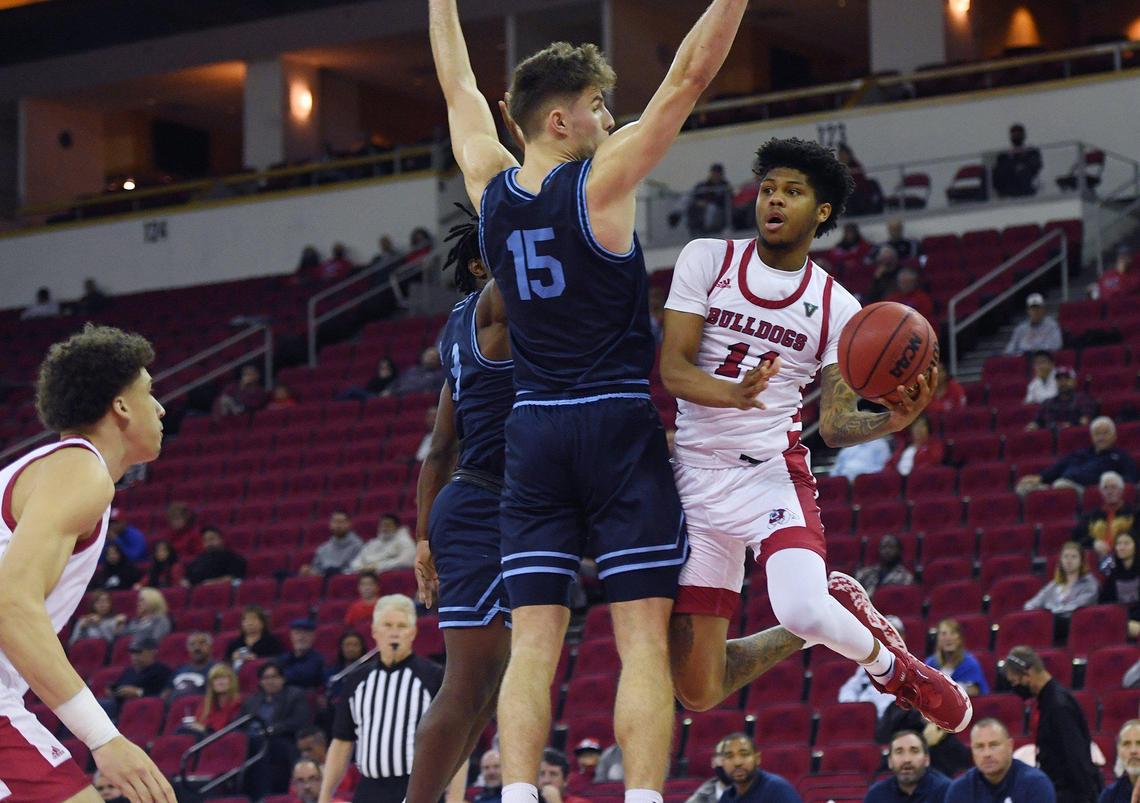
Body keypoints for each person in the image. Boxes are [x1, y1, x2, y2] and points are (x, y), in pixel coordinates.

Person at [430, 2, 759, 802]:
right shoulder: (603, 180)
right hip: (615, 422)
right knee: (641, 638)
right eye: (599, 105)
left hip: (532, 432)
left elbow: (459, 89)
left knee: (535, 641)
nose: (609, 117)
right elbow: (690, 73)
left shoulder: (491, 192)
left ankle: (513, 794)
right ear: (560, 117)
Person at [660, 137, 969, 733]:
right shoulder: (706, 259)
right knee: (697, 692)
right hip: (694, 477)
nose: (773, 200)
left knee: (800, 603)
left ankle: (897, 670)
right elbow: (672, 368)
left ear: (821, 211)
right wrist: (735, 393)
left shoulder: (836, 305)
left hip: (768, 475)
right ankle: (840, 612)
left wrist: (892, 421)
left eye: (792, 192)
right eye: (769, 189)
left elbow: (834, 423)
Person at [0, 324, 175, 802]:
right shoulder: (81, 470)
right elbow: (10, 604)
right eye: (149, 393)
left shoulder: (48, 470)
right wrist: (104, 738)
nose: (160, 408)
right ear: (120, 406)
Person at [405, 213, 514, 803]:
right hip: (483, 506)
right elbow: (444, 452)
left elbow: (440, 447)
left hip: (492, 504)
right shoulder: (494, 310)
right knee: (467, 682)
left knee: (490, 691)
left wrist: (423, 539)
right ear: (481, 266)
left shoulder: (453, 329)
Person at [320, 595, 445, 803]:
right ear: (375, 632)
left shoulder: (433, 677)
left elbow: (453, 741)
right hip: (369, 790)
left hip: (418, 788)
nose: (394, 632)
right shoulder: (356, 680)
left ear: (412, 632)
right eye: (387, 625)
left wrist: (455, 798)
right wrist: (324, 797)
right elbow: (342, 742)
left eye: (401, 625)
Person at [1003, 646, 1102, 803]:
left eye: (1015, 681)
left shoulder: (1058, 706)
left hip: (1071, 794)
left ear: (1027, 673)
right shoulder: (1048, 700)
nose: (1015, 688)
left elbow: (1075, 758)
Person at [241, 661, 314, 797]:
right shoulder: (253, 700)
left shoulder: (294, 695)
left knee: (260, 747)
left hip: (282, 740)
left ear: (282, 679)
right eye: (266, 678)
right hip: (252, 741)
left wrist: (271, 730)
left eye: (274, 677)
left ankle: (264, 796)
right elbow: (239, 723)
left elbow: (299, 721)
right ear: (261, 682)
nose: (270, 681)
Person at [1018, 417, 1138, 495]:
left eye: (1105, 433)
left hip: (1085, 491)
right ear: (1092, 437)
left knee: (1061, 486)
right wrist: (1040, 477)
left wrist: (1108, 483)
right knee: (1024, 487)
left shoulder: (1120, 456)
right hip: (1061, 483)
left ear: (1114, 436)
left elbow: (1132, 477)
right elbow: (1058, 467)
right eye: (1097, 434)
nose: (1101, 438)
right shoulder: (1081, 453)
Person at [946, 718, 1055, 802]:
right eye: (979, 747)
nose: (987, 754)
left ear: (1010, 746)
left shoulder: (1035, 785)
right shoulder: (960, 789)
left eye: (994, 745)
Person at [839, 616, 909, 718]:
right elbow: (849, 689)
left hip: (892, 717)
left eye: (892, 633)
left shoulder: (909, 663)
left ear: (902, 637)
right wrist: (853, 706)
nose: (888, 637)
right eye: (884, 633)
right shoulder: (868, 661)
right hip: (864, 716)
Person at [863, 729, 951, 803]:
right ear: (890, 761)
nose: (907, 759)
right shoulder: (876, 795)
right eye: (899, 752)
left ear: (927, 759)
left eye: (914, 751)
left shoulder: (946, 792)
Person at [716, 733, 801, 803]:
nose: (737, 762)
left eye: (744, 754)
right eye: (729, 756)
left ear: (757, 759)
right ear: (723, 762)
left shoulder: (777, 789)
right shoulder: (726, 797)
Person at [1024, 541, 1100, 618]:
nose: (1069, 561)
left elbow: (1073, 608)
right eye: (1065, 556)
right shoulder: (1054, 584)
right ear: (1061, 560)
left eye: (1074, 557)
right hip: (1051, 625)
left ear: (1081, 561)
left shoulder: (1090, 584)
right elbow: (1032, 604)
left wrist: (1048, 610)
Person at [104, 636, 173, 716]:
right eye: (132, 653)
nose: (134, 657)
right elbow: (119, 687)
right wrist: (113, 691)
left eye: (139, 652)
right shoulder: (129, 670)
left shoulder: (162, 670)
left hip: (143, 710)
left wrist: (138, 692)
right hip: (120, 706)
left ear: (152, 652)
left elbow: (163, 696)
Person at [1074, 471, 1135, 559]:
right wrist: (1093, 543)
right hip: (1096, 559)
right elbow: (1076, 539)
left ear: (1121, 490)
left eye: (1113, 487)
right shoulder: (1090, 516)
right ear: (1101, 492)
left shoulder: (1134, 514)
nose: (1109, 491)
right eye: (1105, 488)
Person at [926, 618, 989, 696]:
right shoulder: (930, 664)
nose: (948, 638)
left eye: (953, 633)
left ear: (959, 639)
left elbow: (975, 691)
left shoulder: (970, 664)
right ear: (937, 639)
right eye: (943, 634)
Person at [181, 663, 242, 737]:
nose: (220, 682)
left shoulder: (238, 703)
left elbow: (229, 733)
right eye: (215, 679)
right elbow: (198, 724)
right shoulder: (206, 703)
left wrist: (205, 729)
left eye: (223, 678)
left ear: (231, 681)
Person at [1098, 532, 1140, 638]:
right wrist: (1124, 619)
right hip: (1122, 620)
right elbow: (1105, 602)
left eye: (1126, 543)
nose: (1121, 547)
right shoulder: (1113, 574)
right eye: (1119, 544)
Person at [1032, 365, 1098, 431]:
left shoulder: (1083, 399)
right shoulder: (1047, 403)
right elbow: (1036, 423)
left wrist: (1071, 425)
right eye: (1059, 379)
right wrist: (1033, 426)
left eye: (1067, 378)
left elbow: (1085, 422)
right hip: (1049, 438)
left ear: (1074, 381)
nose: (1063, 382)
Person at [301, 511, 364, 576]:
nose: (338, 525)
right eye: (335, 522)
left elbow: (356, 569)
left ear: (349, 524)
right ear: (330, 524)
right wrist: (309, 572)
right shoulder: (323, 549)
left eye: (341, 522)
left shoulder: (358, 545)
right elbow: (317, 569)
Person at [350, 512, 416, 573]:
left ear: (397, 527)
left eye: (388, 525)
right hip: (368, 575)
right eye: (382, 525)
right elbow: (356, 562)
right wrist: (361, 568)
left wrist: (378, 566)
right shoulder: (373, 543)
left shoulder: (405, 541)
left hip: (389, 576)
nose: (384, 528)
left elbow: (406, 562)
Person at [182, 525, 246, 586]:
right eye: (205, 540)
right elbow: (186, 578)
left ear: (221, 539)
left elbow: (234, 578)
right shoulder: (199, 559)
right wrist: (185, 582)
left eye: (212, 539)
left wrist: (213, 583)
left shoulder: (231, 557)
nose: (209, 543)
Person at [992, 123, 1043, 198]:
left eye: (1018, 134)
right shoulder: (1004, 155)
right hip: (1008, 183)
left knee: (1022, 172)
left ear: (1023, 135)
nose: (1016, 136)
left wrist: (1022, 164)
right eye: (1014, 134)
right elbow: (999, 169)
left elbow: (1036, 165)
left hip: (1026, 182)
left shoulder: (1031, 151)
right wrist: (1014, 166)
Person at [164, 631, 216, 699]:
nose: (197, 648)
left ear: (211, 647)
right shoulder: (179, 670)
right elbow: (166, 692)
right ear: (188, 649)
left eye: (202, 643)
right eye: (192, 644)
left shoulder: (217, 669)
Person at [278, 619, 326, 689]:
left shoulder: (318, 660)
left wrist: (282, 678)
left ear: (313, 637)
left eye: (306, 634)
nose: (301, 637)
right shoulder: (282, 659)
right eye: (297, 633)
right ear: (291, 637)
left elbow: (306, 676)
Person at [685, 163, 732, 236]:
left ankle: (706, 229)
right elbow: (695, 196)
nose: (715, 175)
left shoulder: (724, 186)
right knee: (687, 201)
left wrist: (707, 203)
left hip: (718, 211)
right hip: (701, 209)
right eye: (714, 173)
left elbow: (725, 201)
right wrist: (698, 202)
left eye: (718, 173)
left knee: (711, 208)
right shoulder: (703, 185)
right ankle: (676, 215)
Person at [1100, 719, 1140, 802]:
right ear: (1118, 751)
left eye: (1139, 743)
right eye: (1126, 744)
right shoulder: (1110, 795)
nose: (1133, 751)